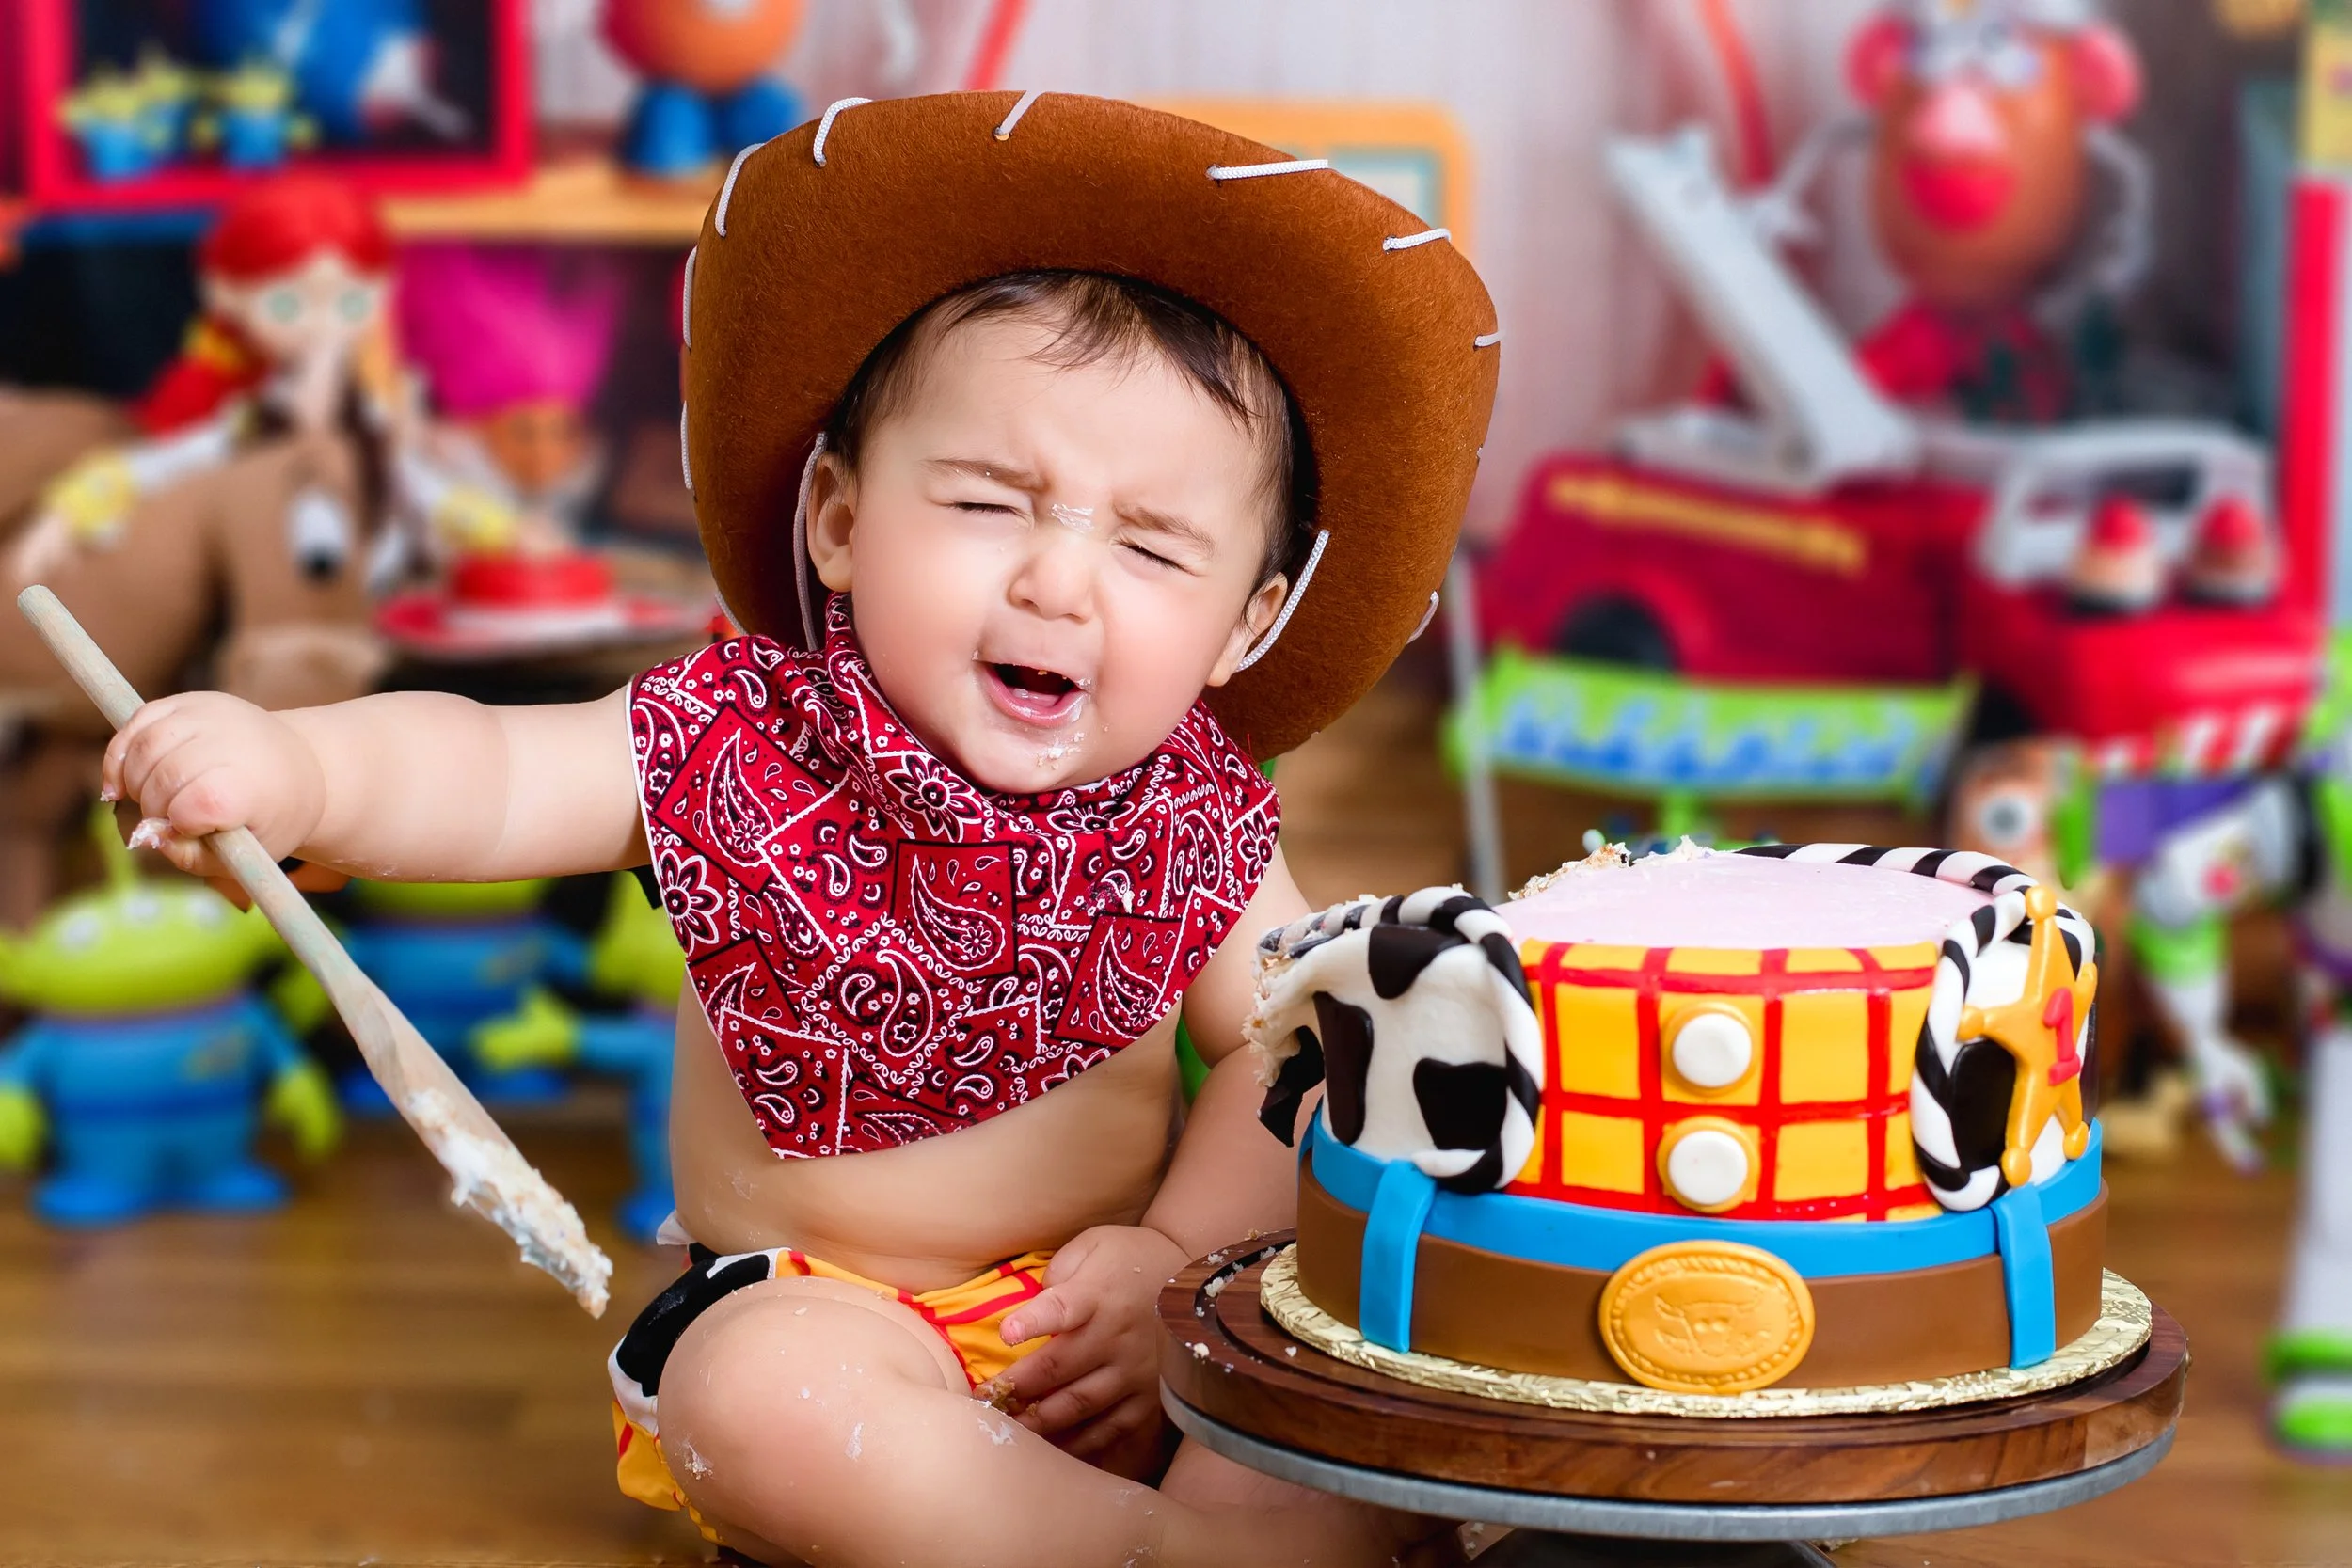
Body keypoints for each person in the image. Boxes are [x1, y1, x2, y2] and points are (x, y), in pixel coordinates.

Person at [96, 92, 1496, 1565]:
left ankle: (1194, 1517)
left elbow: (1288, 1053)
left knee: (1339, 1379)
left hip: (1101, 1334)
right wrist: (296, 769)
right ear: (838, 521)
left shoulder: (1196, 816)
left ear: (1243, 624)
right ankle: (1140, 1553)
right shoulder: (737, 738)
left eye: (1151, 545)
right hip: (831, 1324)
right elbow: (493, 770)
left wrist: (1170, 1268)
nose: (1059, 585)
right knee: (756, 1395)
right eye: (985, 500)